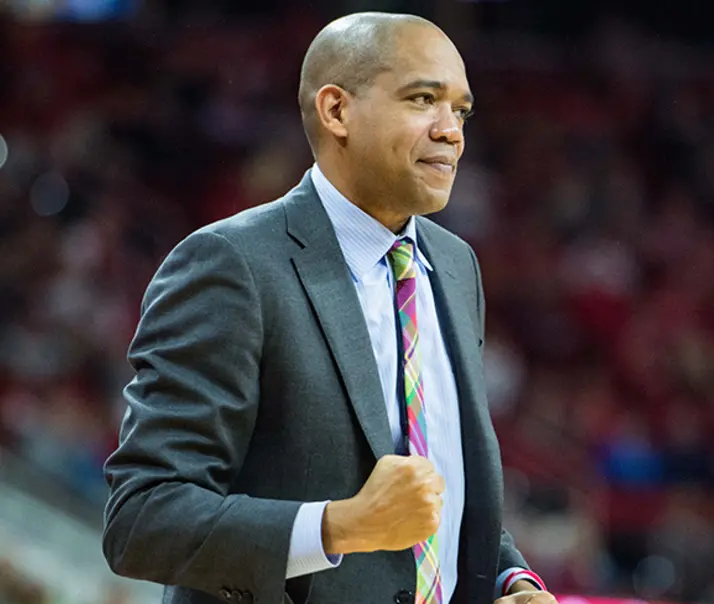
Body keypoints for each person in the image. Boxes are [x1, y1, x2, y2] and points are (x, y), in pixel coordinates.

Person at [101, 12, 557, 604]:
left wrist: (508, 578)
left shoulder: (454, 265)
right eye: (424, 100)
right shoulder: (231, 265)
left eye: (462, 110)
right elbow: (141, 519)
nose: (452, 131)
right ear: (337, 110)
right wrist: (338, 526)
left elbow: (437, 482)